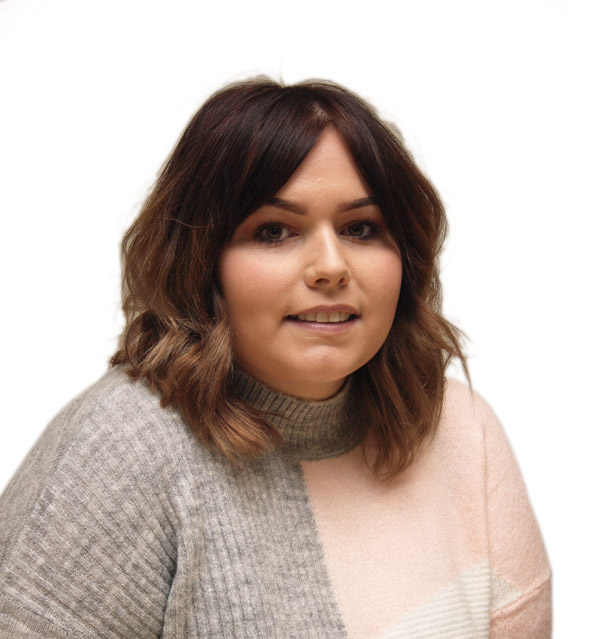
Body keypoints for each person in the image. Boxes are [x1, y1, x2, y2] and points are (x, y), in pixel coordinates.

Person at [0, 77, 551, 638]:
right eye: (273, 231)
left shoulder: (462, 431)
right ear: (200, 260)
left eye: (361, 228)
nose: (330, 267)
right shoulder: (121, 450)